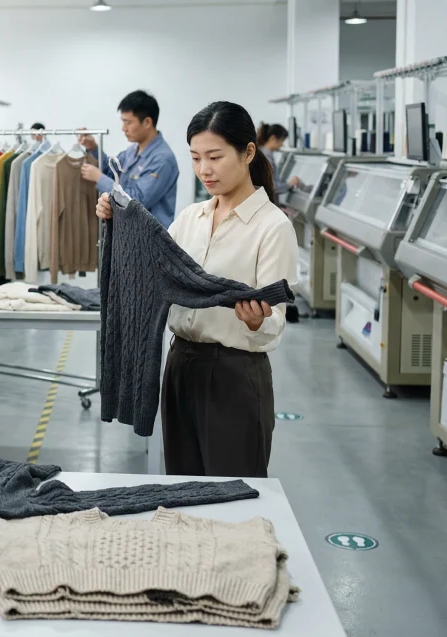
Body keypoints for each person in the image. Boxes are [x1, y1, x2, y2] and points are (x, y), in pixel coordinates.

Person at [96, 101, 297, 478]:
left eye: (215, 157)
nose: (205, 169)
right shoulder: (191, 218)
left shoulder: (272, 227)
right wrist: (113, 223)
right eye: (196, 158)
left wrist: (257, 322)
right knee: (183, 486)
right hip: (179, 366)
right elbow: (149, 266)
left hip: (234, 376)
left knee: (232, 491)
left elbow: (276, 321)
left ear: (248, 152)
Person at [78, 90, 180, 228]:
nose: (123, 128)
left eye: (128, 122)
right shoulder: (132, 150)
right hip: (127, 233)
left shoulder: (162, 160)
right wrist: (93, 148)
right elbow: (111, 171)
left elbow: (137, 201)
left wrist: (98, 178)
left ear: (147, 122)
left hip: (149, 240)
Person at [257, 122, 299, 197]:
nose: (282, 144)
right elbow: (270, 187)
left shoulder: (264, 154)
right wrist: (289, 184)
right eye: (282, 140)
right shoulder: (265, 158)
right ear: (273, 138)